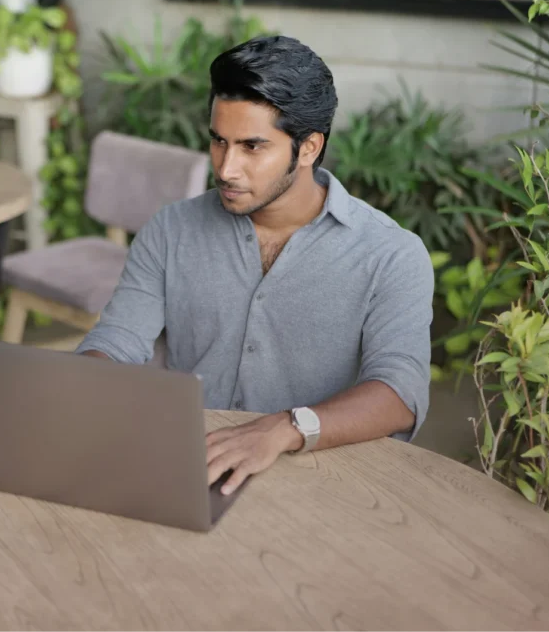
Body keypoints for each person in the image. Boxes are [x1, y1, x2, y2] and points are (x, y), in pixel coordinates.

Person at [76, 35, 434, 497]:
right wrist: (81, 388)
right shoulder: (171, 229)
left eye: (252, 147)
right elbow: (117, 341)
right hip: (191, 471)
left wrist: (285, 429)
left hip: (321, 485)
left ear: (309, 148)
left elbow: (400, 392)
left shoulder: (391, 254)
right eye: (219, 141)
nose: (226, 168)